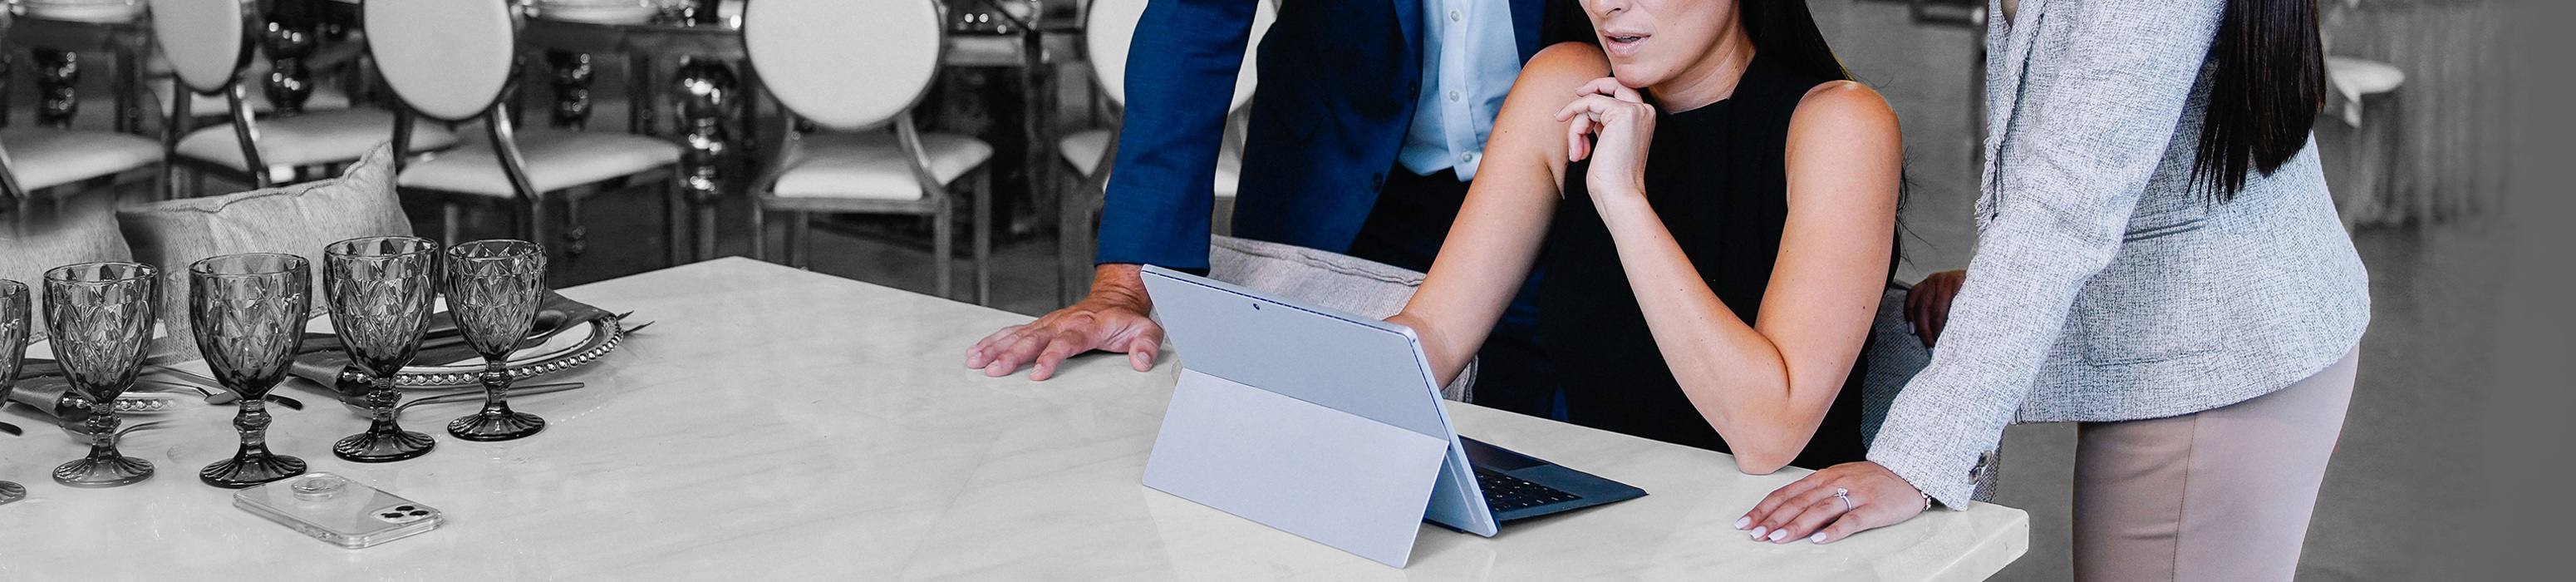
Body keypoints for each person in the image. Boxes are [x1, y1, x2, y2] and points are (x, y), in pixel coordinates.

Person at [1739, 2, 2369, 581]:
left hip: (2217, 356)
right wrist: (1994, 284)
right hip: (2184, 321)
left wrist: (1914, 460)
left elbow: (2064, 211)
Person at [966, 0, 1591, 420]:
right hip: (1333, 185)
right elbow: (1196, 18)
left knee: (1581, 453)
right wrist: (1125, 286)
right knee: (1291, 446)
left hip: (1580, 185)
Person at [1386, 0, 1902, 471]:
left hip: (1778, 538)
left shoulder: (1841, 123)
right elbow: (1434, 330)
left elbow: (1766, 435)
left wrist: (1624, 198)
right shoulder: (1563, 83)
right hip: (1603, 521)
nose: (1606, 5)